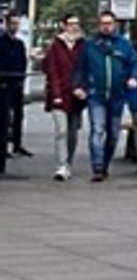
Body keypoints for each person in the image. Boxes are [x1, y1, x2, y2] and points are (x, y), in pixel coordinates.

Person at [74, 12, 137, 184]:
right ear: (98, 25)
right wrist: (79, 86)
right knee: (97, 129)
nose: (106, 26)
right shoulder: (90, 45)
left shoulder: (124, 45)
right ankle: (97, 167)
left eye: (109, 23)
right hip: (96, 94)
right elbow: (80, 68)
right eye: (103, 23)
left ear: (115, 24)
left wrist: (133, 77)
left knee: (114, 134)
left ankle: (105, 163)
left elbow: (134, 63)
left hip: (117, 95)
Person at [42, 14, 83, 180]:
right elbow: (51, 71)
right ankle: (62, 165)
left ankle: (69, 162)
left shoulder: (83, 45)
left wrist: (82, 88)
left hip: (77, 96)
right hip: (59, 96)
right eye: (71, 24)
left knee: (73, 133)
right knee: (62, 131)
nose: (74, 27)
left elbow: (85, 69)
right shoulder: (55, 46)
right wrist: (56, 95)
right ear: (64, 26)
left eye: (77, 24)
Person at [0, 11, 27, 162]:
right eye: (12, 23)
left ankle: (17, 144)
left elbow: (22, 63)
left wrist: (21, 80)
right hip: (3, 86)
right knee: (4, 119)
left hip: (16, 85)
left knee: (18, 116)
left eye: (17, 24)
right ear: (6, 24)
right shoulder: (2, 43)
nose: (15, 27)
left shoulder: (19, 44)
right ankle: (3, 149)